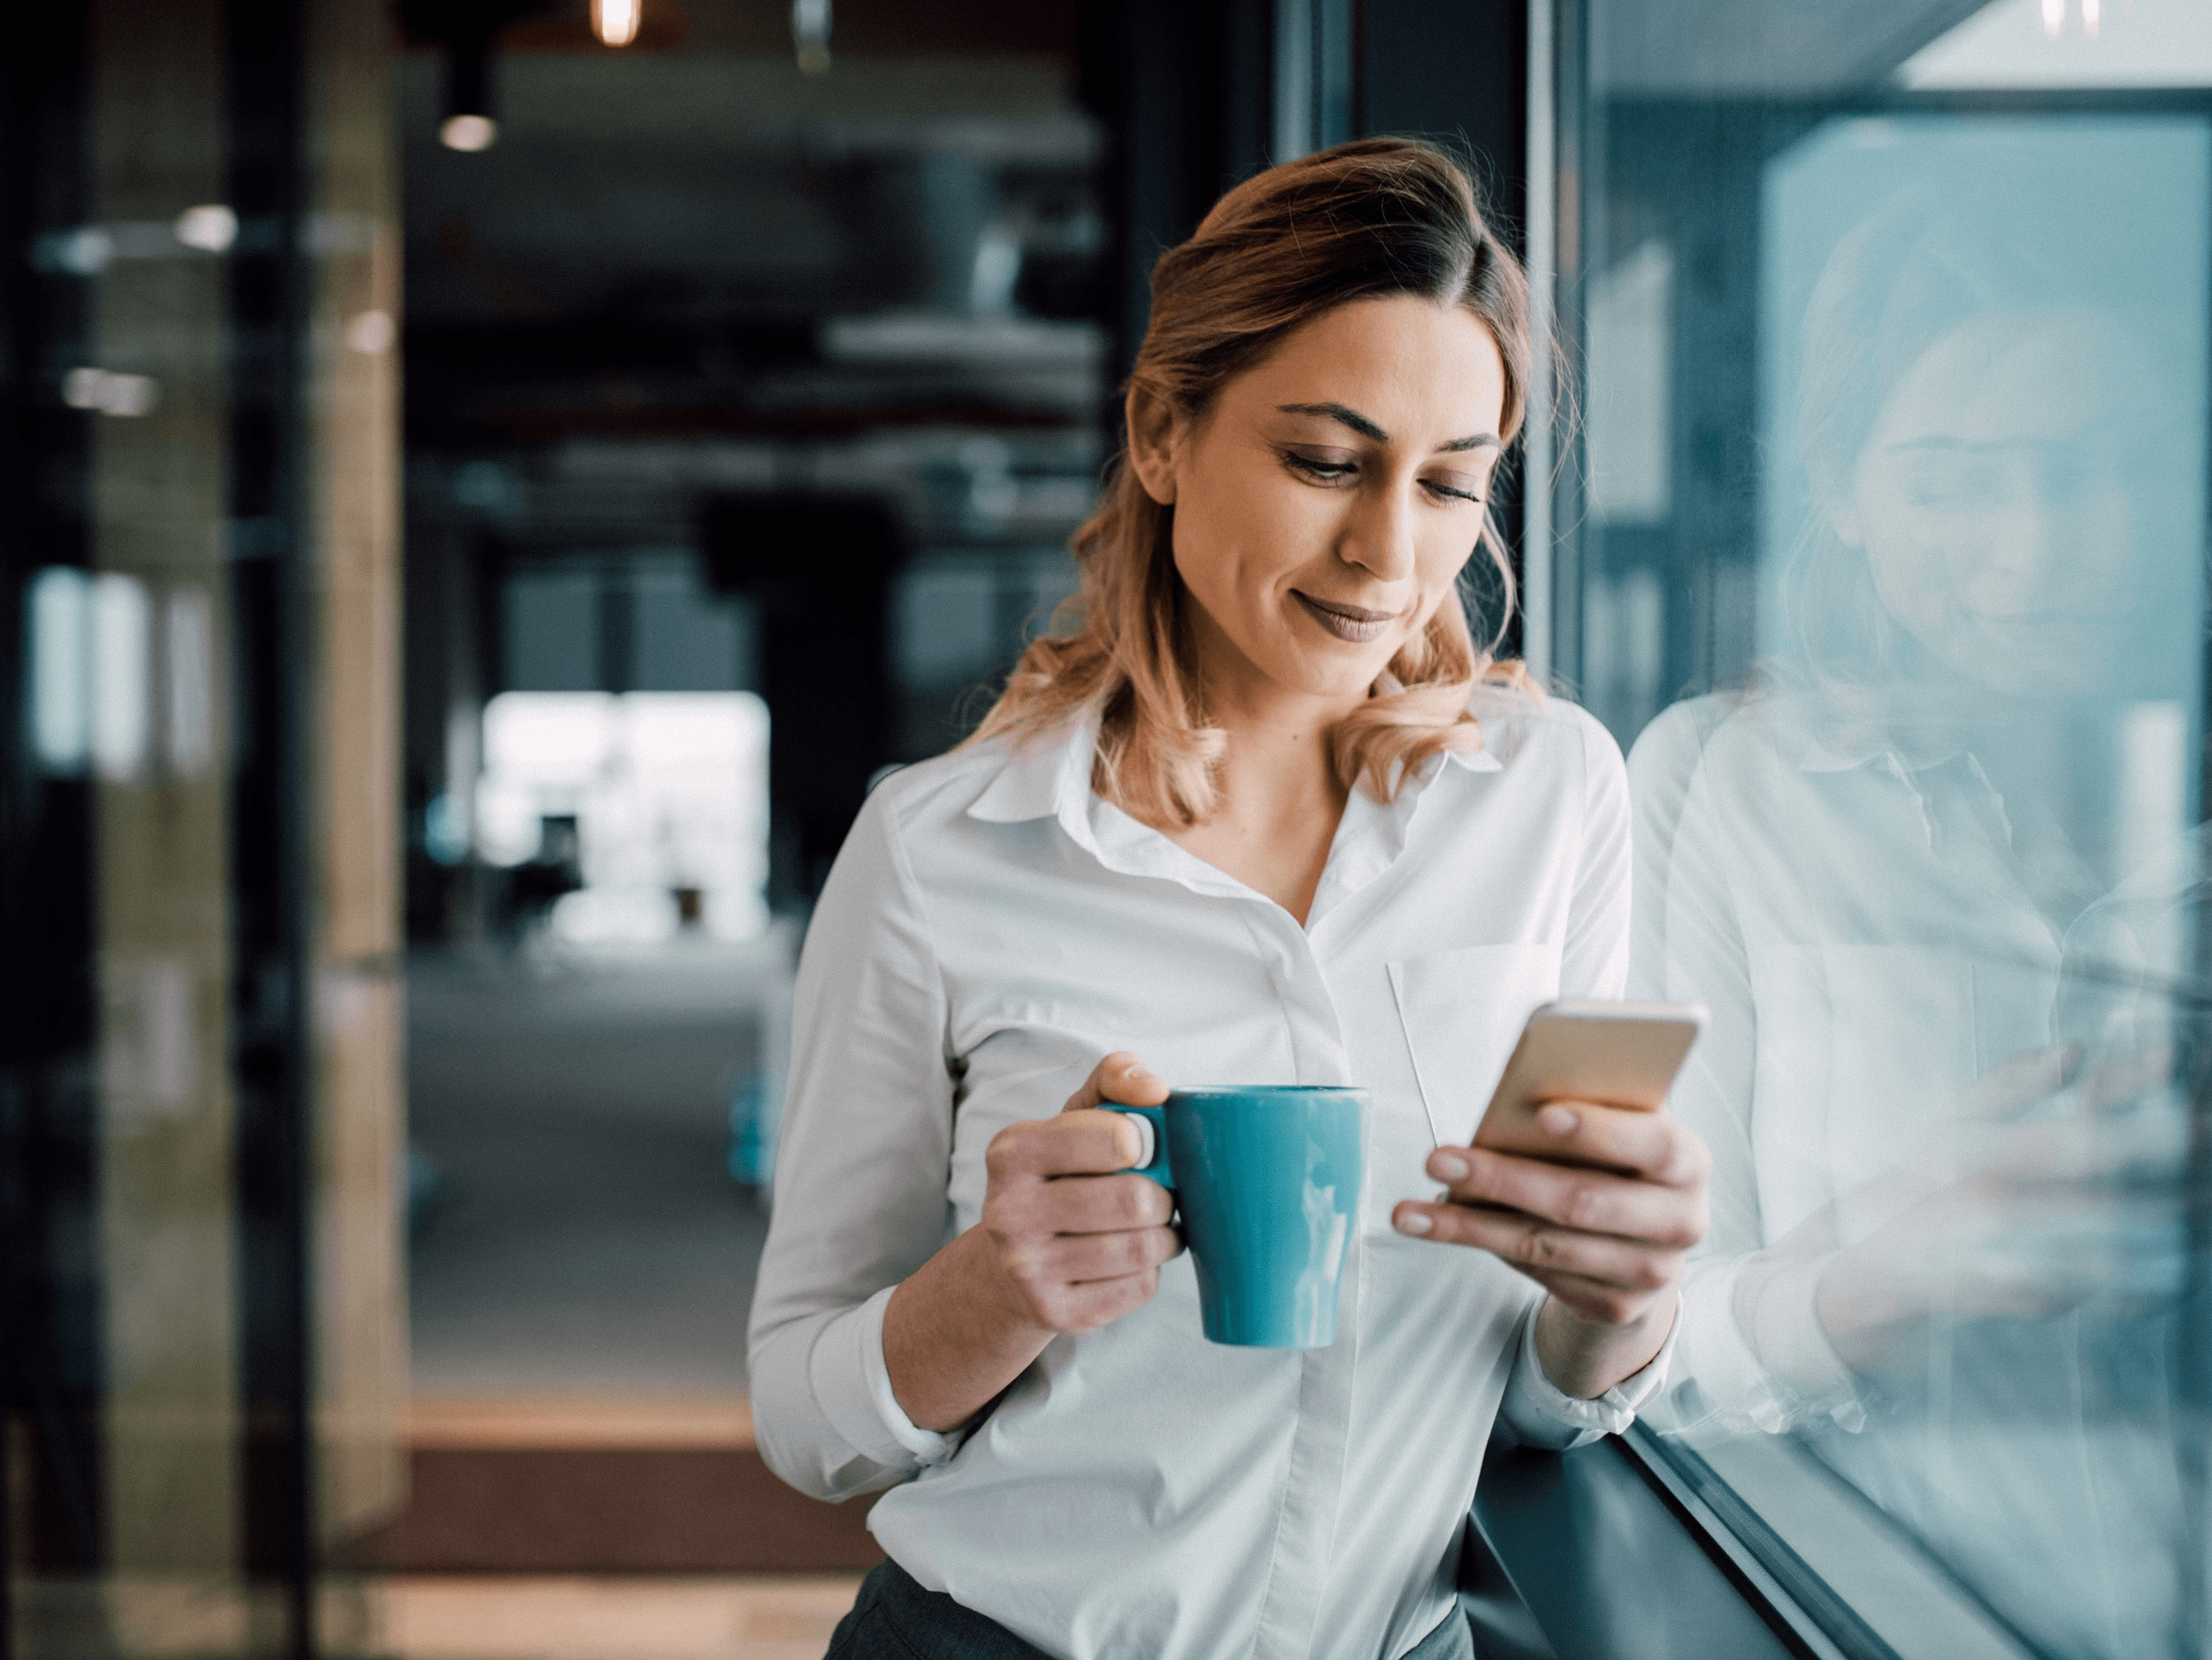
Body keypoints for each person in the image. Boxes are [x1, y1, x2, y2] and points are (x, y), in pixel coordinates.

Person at [747, 138, 1711, 1660]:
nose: (1389, 554)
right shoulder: (939, 851)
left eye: (1450, 484)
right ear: (1159, 435)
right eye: (1326, 461)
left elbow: (1538, 1393)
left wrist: (1620, 1295)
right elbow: (810, 1421)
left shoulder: (1550, 796)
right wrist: (999, 1289)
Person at [1630, 171, 2197, 1657]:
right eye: (1952, 480)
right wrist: (1905, 1269)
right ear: (1845, 498)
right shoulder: (1722, 792)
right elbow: (1617, 1346)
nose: (2041, 552)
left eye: (2107, 467)